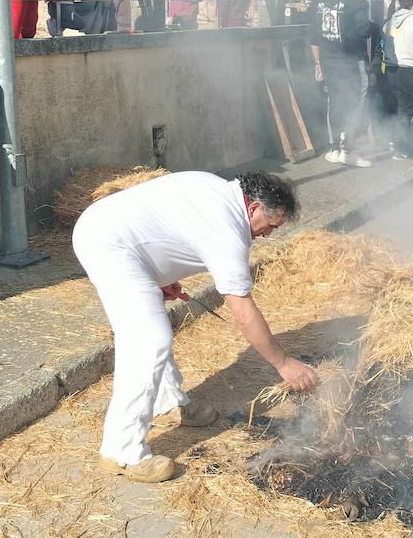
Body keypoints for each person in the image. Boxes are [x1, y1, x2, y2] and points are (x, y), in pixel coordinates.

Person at [73, 171, 320, 483]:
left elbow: (165, 224)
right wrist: (284, 365)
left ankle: (171, 403)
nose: (268, 234)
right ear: (255, 208)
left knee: (150, 331)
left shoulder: (218, 189)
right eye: (271, 225)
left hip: (116, 235)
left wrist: (159, 275)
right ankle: (121, 451)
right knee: (149, 339)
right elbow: (243, 312)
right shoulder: (227, 232)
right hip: (108, 243)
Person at [311, 0, 375, 168]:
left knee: (334, 101)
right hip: (350, 62)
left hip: (327, 60)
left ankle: (334, 148)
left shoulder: (320, 1)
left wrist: (317, 63)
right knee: (354, 102)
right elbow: (364, 30)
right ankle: (349, 150)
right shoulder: (357, 3)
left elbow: (313, 36)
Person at [383, 0, 413, 160]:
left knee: (397, 108)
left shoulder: (391, 20)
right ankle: (402, 149)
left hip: (391, 68)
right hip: (408, 68)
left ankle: (394, 143)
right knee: (406, 110)